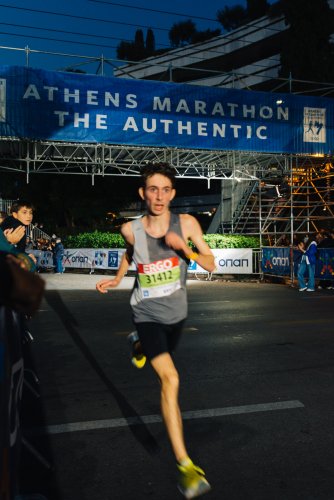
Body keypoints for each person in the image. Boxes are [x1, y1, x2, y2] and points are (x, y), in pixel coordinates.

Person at [96, 163, 215, 499]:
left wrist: (184, 249)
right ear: (142, 193)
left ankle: (138, 346)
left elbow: (210, 263)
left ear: (173, 194)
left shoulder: (187, 223)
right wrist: (119, 278)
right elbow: (131, 252)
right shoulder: (129, 229)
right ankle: (185, 466)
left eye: (165, 189)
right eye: (153, 189)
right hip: (145, 312)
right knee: (171, 379)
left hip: (177, 315)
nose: (159, 196)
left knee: (158, 355)